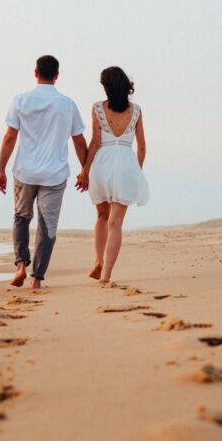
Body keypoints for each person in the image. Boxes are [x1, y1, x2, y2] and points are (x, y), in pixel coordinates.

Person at [0, 55, 87, 290]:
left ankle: (20, 267)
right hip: (54, 175)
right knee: (47, 225)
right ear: (57, 76)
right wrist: (85, 170)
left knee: (21, 217)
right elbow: (79, 141)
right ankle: (36, 278)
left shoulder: (21, 100)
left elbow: (10, 137)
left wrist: (1, 169)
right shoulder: (67, 104)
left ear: (35, 73)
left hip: (25, 171)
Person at [76, 66, 148, 286]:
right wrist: (136, 171)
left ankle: (98, 261)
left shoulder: (97, 108)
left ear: (106, 87)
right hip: (126, 164)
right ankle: (106, 274)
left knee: (101, 217)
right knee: (116, 223)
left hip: (102, 164)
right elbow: (142, 146)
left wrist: (85, 171)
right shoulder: (135, 111)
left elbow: (96, 142)